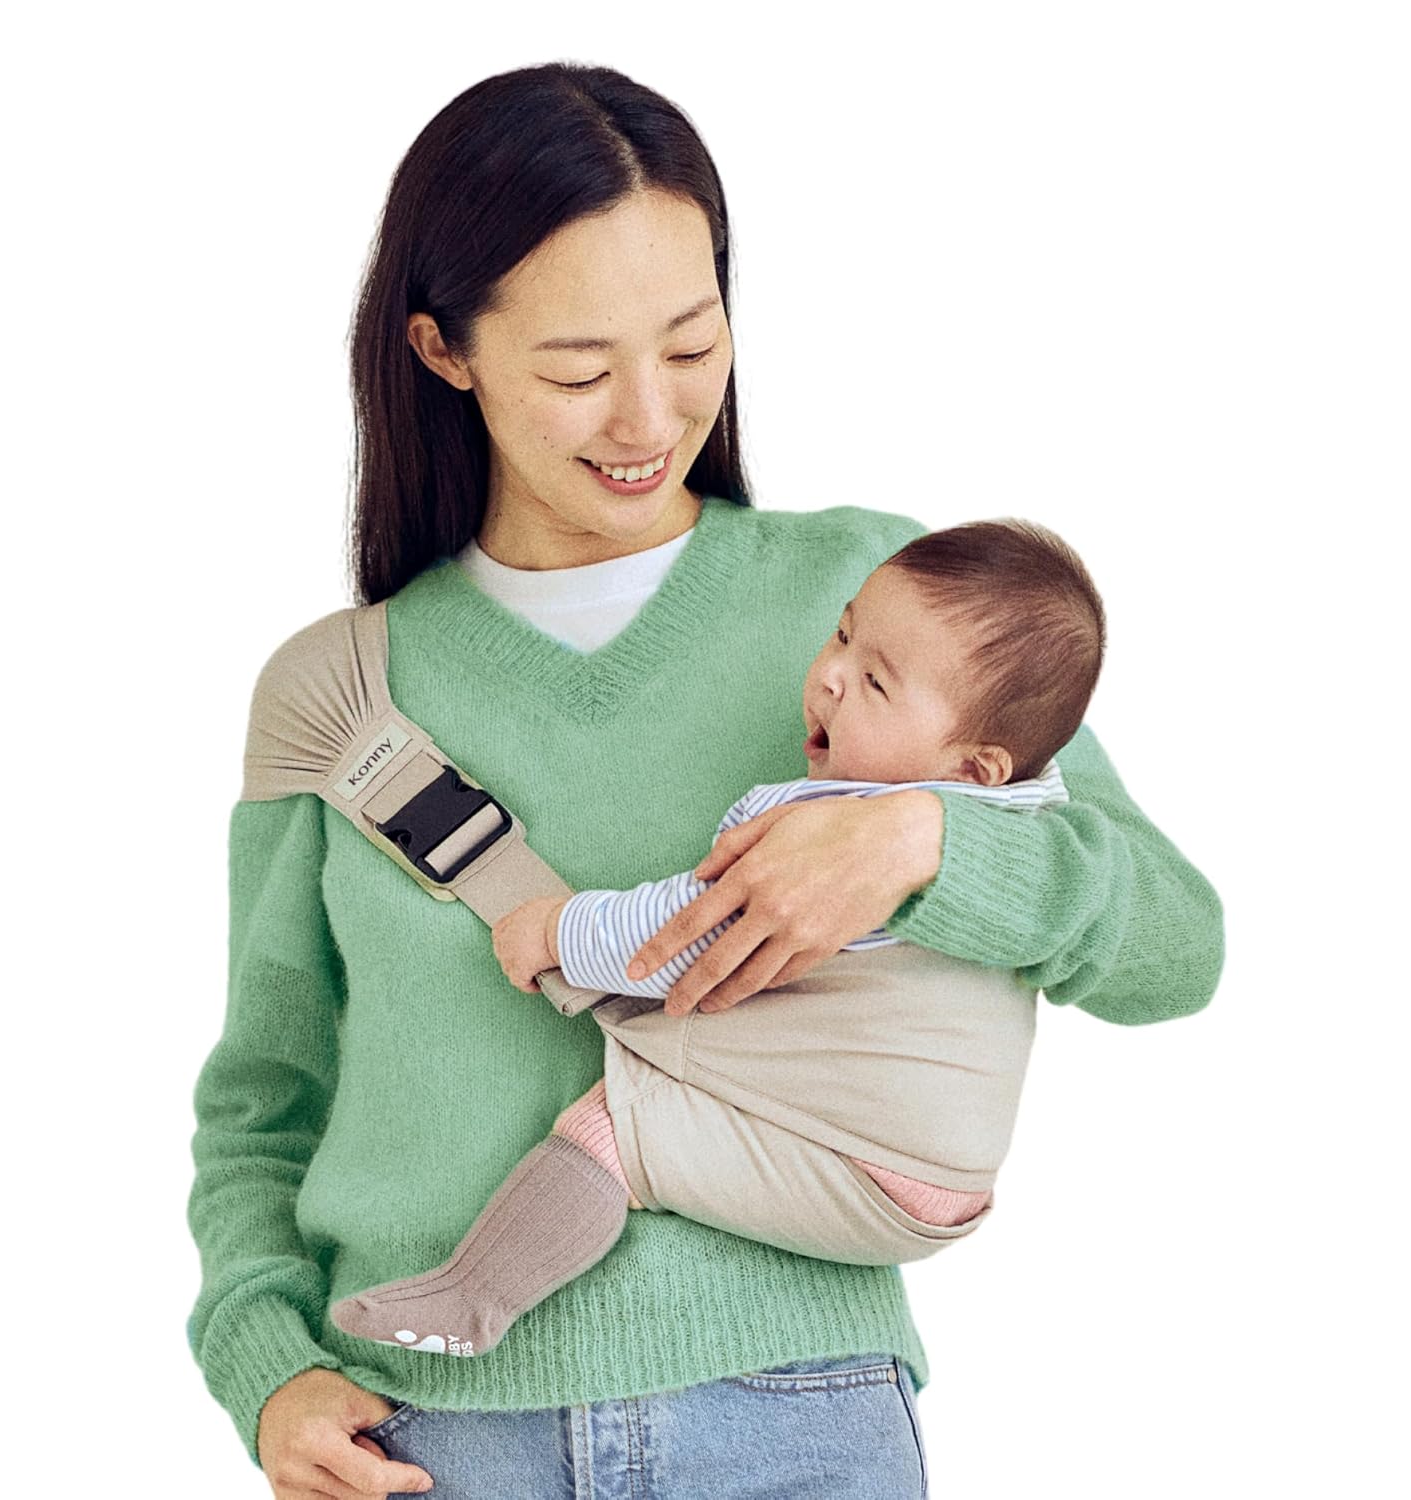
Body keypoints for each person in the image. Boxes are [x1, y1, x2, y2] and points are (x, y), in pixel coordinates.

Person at [187, 62, 1225, 1500]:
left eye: (691, 342)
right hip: (435, 1440)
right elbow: (264, 1099)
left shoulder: (879, 604)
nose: (647, 417)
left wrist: (923, 844)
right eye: (577, 369)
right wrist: (264, 1363)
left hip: (797, 1416)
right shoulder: (335, 699)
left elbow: (1177, 948)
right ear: (442, 349)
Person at [328, 519, 1102, 1357]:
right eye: (843, 634)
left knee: (615, 1131)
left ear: (974, 770)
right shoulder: (1037, 816)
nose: (831, 674)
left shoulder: (832, 827)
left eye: (876, 683)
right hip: (935, 1164)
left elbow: (690, 932)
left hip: (865, 1157)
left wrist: (556, 932)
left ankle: (474, 1298)